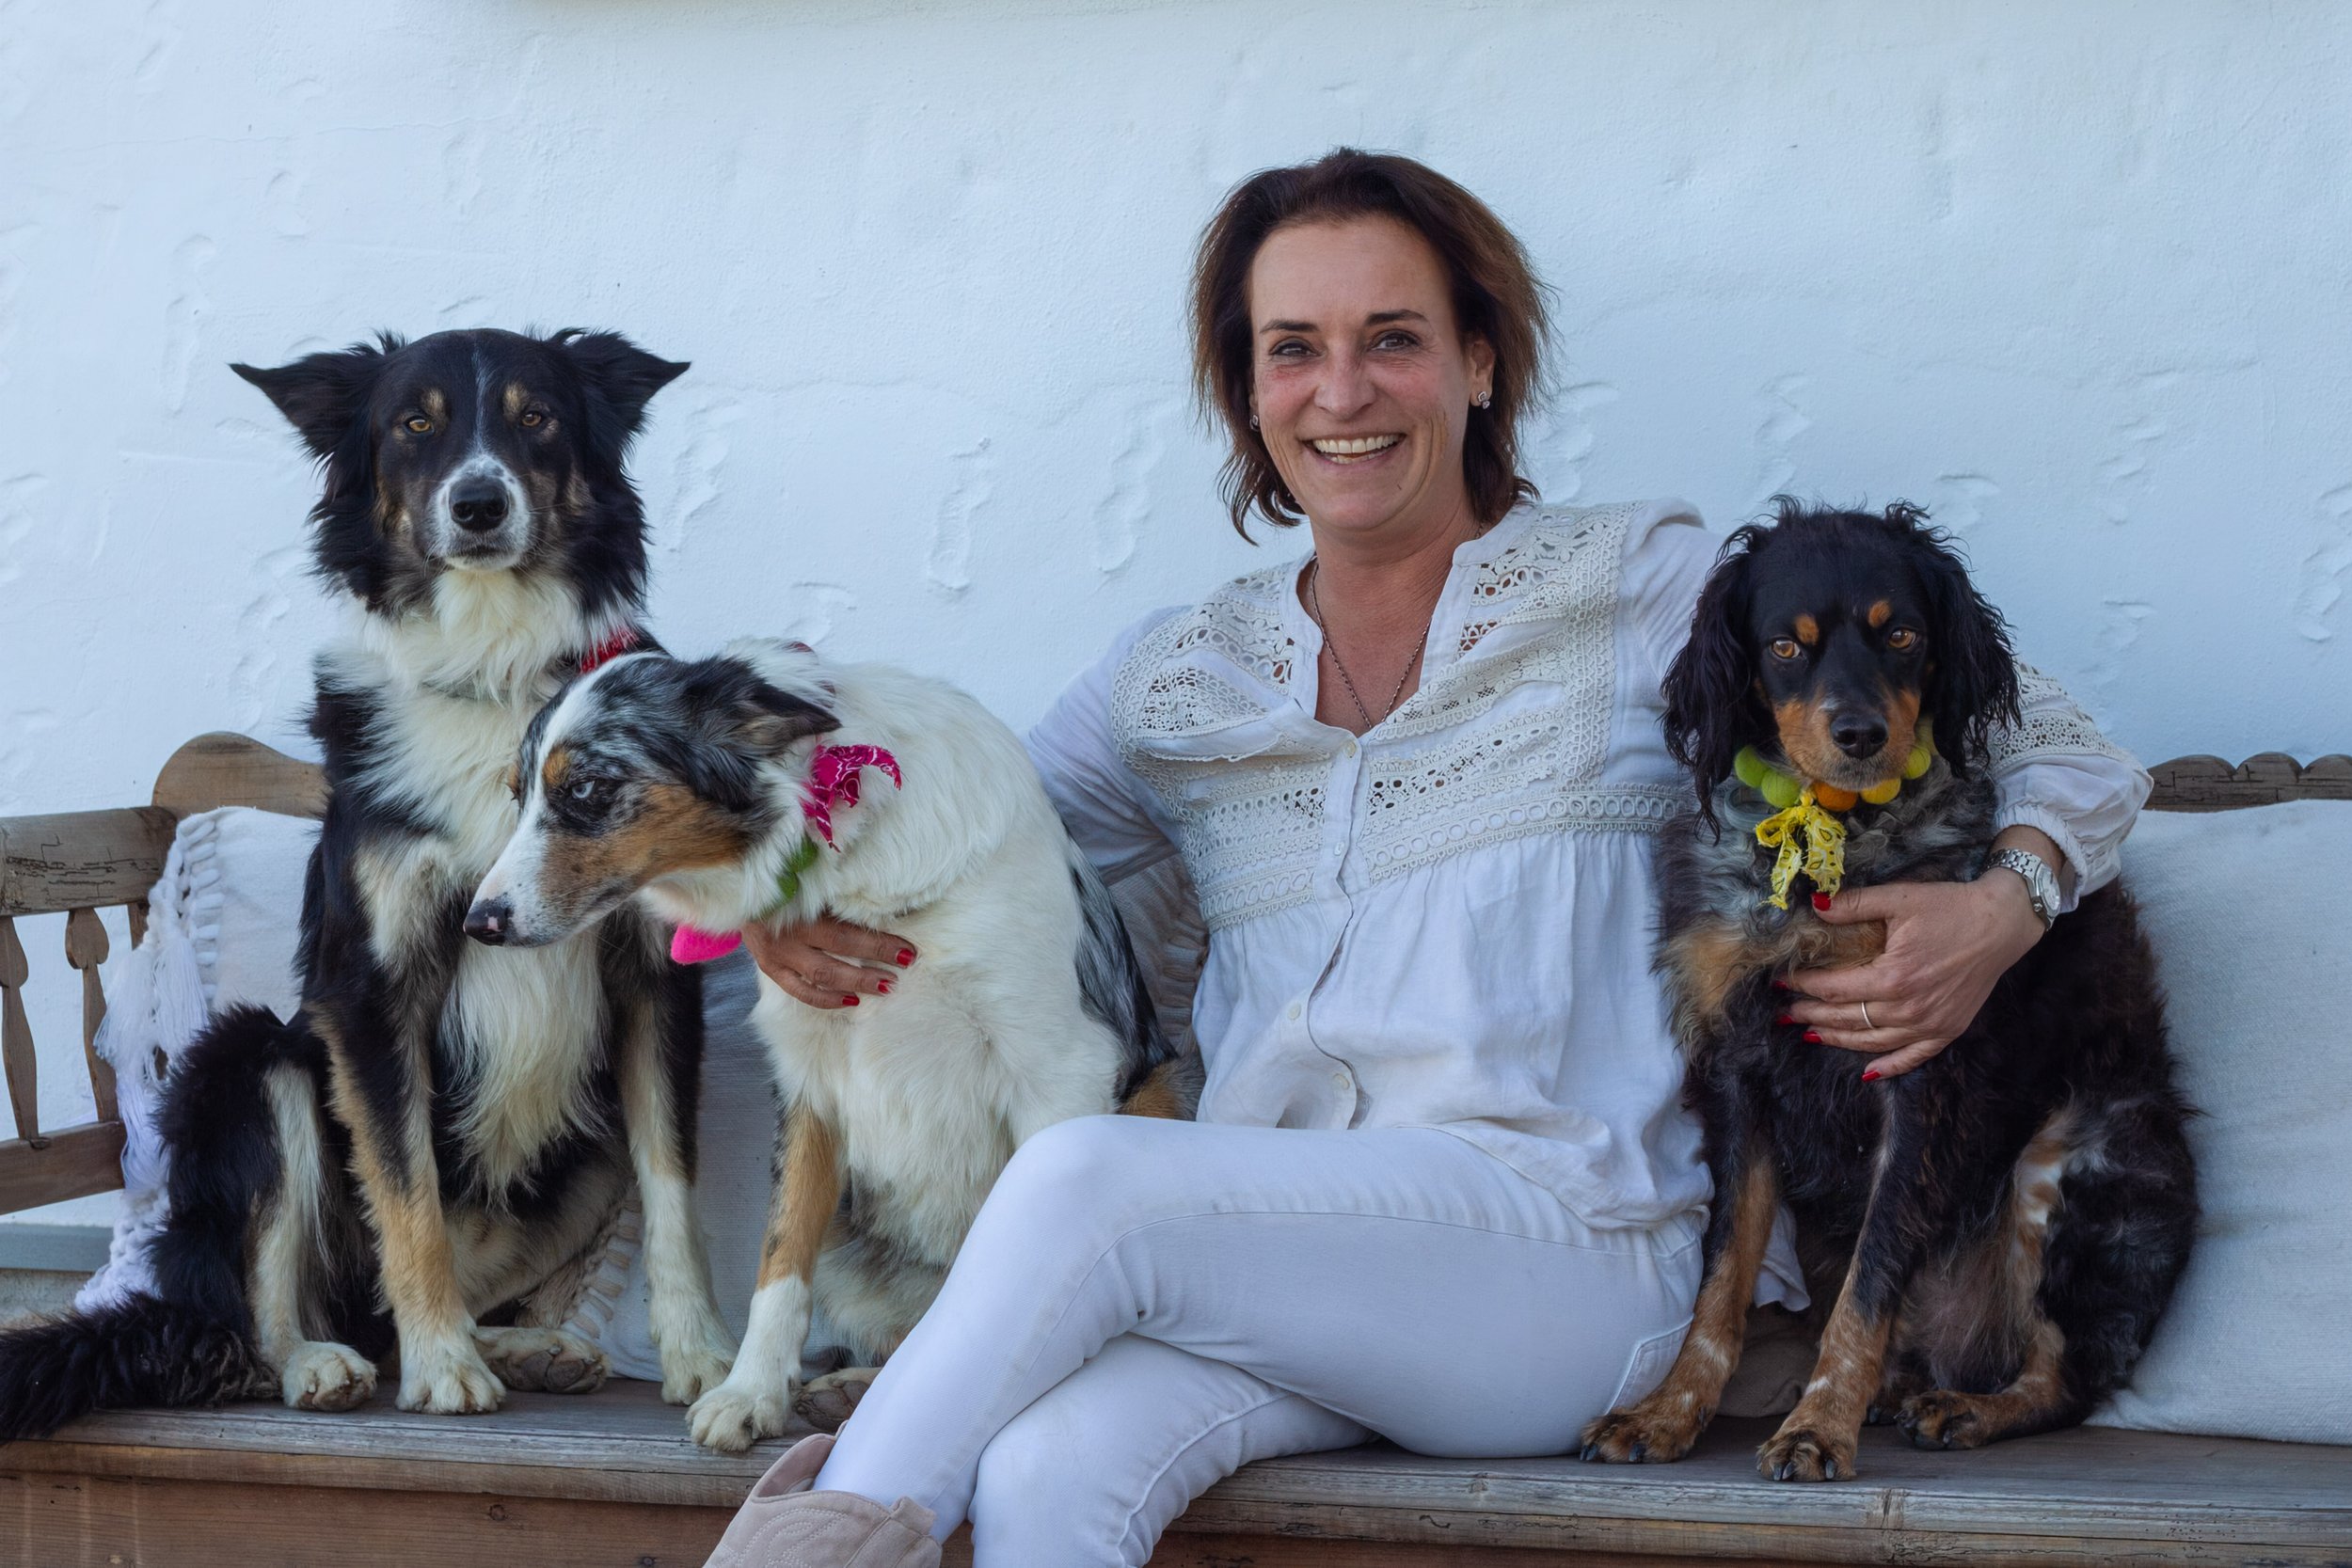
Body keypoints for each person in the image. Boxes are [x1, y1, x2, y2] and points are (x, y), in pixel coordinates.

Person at [700, 150, 2148, 1568]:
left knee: (1089, 1179)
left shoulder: (1634, 587)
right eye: (1293, 350)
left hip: (1566, 1257)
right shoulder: (1180, 675)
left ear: (1479, 364)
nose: (1341, 392)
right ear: (1245, 390)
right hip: (1265, 1264)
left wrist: (2001, 909)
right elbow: (949, 811)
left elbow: (2061, 747)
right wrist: (779, 904)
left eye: (1392, 339)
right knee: (1047, 1472)